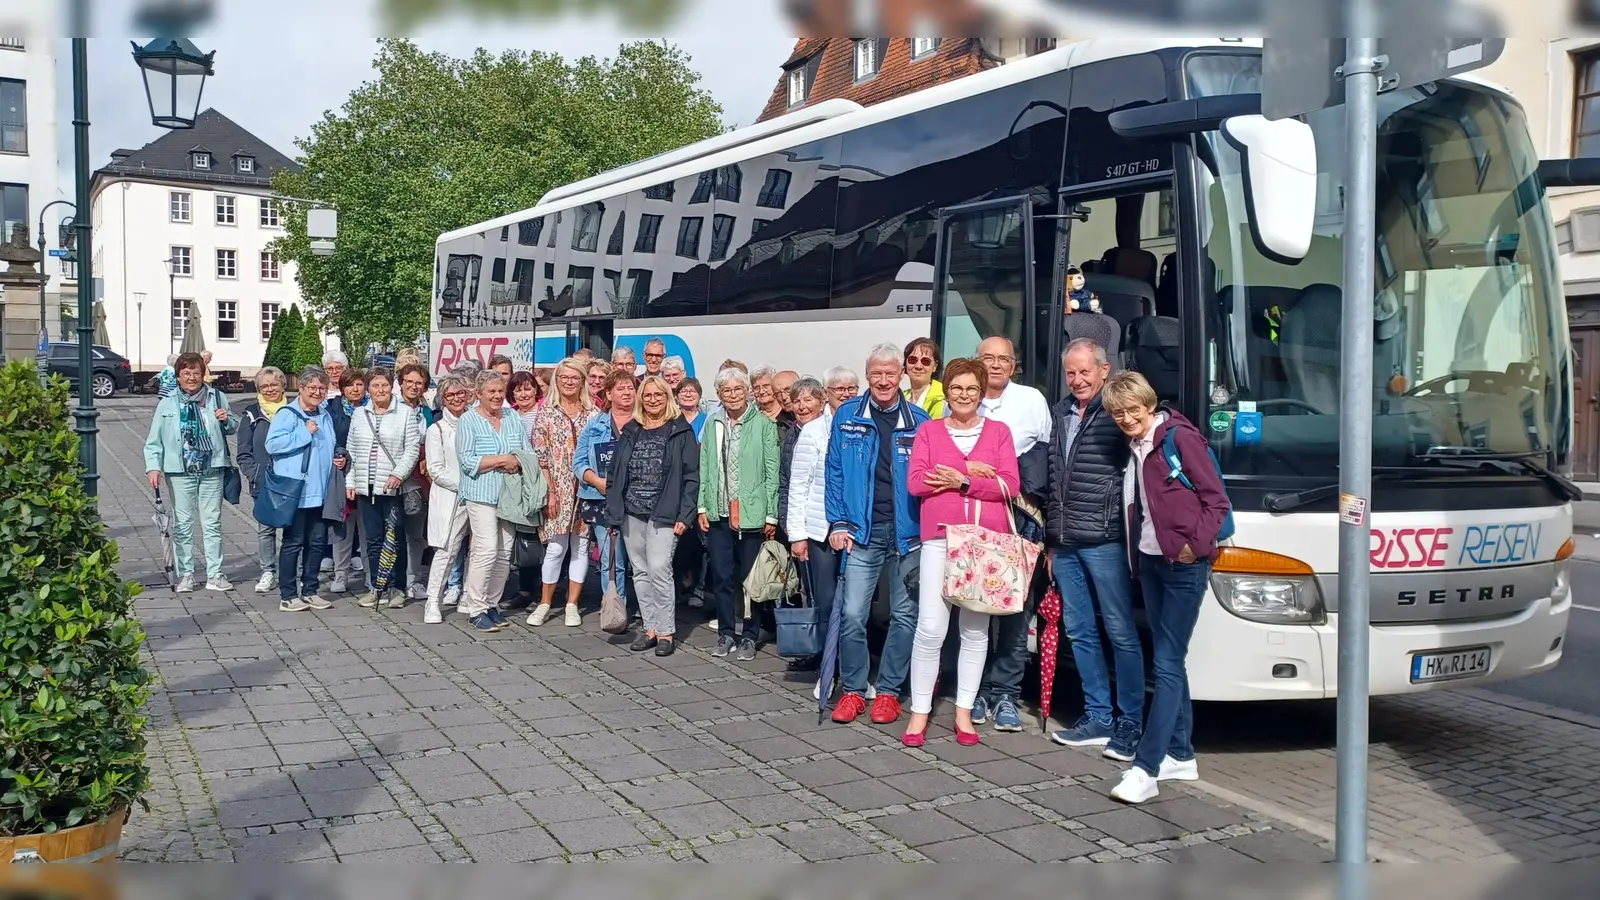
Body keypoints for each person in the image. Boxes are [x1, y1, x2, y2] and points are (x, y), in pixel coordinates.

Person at [1102, 370, 1230, 804]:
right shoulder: (1137, 445)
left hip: (1184, 565)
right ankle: (1181, 753)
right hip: (1153, 561)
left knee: (1168, 664)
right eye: (1118, 413)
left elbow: (1217, 500)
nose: (1126, 418)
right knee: (1170, 660)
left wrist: (1196, 546)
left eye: (1132, 410)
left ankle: (1146, 767)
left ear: (1149, 405)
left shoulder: (1178, 438)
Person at [903, 358, 1021, 747]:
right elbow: (918, 482)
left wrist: (963, 481)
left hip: (985, 542)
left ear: (982, 390)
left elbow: (1010, 485)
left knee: (975, 630)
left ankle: (964, 713)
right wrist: (970, 466)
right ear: (946, 390)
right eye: (956, 388)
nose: (964, 395)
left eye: (972, 388)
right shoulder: (929, 431)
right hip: (940, 537)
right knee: (931, 627)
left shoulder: (1000, 432)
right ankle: (920, 712)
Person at [1046, 339, 1144, 758]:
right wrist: (1051, 540)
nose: (1078, 379)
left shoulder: (1118, 413)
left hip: (1105, 540)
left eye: (1085, 371)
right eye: (1071, 372)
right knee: (1080, 632)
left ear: (1105, 370)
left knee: (1121, 632)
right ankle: (1098, 716)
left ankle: (1131, 722)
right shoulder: (1060, 411)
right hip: (1065, 543)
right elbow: (1053, 476)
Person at [826, 344, 929, 726]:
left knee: (905, 615)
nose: (883, 381)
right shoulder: (847, 416)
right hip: (860, 532)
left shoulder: (919, 421)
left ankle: (888, 692)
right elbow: (834, 471)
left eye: (890, 373)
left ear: (901, 374)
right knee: (853, 614)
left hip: (908, 534)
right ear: (866, 375)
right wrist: (837, 523)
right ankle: (853, 690)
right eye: (876, 374)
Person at [971, 335, 1053, 733]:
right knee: (975, 608)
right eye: (988, 358)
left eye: (1004, 359)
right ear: (976, 361)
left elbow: (1047, 457)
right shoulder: (965, 398)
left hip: (1021, 517)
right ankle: (975, 690)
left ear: (1014, 365)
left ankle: (1005, 692)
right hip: (977, 515)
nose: (997, 365)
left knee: (1017, 611)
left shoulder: (1032, 400)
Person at [607, 375, 698, 656]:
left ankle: (666, 632)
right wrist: (614, 513)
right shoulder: (631, 430)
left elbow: (692, 477)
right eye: (647, 395)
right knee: (641, 572)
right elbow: (616, 474)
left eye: (659, 394)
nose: (653, 399)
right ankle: (650, 629)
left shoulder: (680, 431)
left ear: (667, 397)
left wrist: (686, 514)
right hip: (632, 512)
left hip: (666, 513)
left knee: (660, 569)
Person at [698, 367, 780, 661]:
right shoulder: (713, 423)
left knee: (751, 579)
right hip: (718, 512)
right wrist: (702, 506)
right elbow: (705, 466)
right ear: (719, 395)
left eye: (737, 389)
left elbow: (773, 472)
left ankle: (750, 634)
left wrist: (772, 514)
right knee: (721, 575)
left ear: (747, 391)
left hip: (753, 513)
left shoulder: (763, 425)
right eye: (726, 391)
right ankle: (725, 632)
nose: (732, 395)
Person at [143, 351, 236, 592]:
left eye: (196, 372)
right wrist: (153, 466)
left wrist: (226, 420)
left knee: (212, 523)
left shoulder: (217, 397)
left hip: (212, 467)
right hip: (180, 470)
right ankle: (186, 574)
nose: (192, 377)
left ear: (203, 373)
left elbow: (232, 426)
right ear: (178, 376)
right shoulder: (168, 402)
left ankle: (215, 574)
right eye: (186, 373)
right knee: (183, 524)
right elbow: (154, 440)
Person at [456, 370, 528, 632]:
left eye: (500, 391)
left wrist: (515, 461)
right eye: (492, 392)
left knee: (504, 552)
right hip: (481, 495)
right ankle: (475, 607)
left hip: (509, 495)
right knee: (485, 549)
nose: (497, 396)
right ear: (479, 394)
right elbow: (468, 461)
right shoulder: (468, 420)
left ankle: (491, 604)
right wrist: (503, 460)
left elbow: (525, 452)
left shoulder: (512, 417)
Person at [346, 368, 423, 610]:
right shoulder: (359, 414)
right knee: (374, 540)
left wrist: (398, 474)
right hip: (366, 487)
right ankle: (375, 587)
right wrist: (351, 482)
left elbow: (412, 449)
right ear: (368, 389)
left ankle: (397, 588)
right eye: (375, 386)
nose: (380, 390)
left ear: (392, 387)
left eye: (385, 385)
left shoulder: (405, 413)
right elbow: (352, 451)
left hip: (392, 487)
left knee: (395, 539)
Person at [264, 366, 339, 612]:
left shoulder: (325, 414)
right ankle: (288, 594)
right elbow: (272, 445)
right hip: (296, 491)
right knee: (293, 543)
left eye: (322, 388)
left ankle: (310, 590)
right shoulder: (288, 414)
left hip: (321, 490)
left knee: (317, 543)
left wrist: (340, 457)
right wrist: (303, 433)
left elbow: (329, 446)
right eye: (313, 388)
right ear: (302, 389)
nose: (317, 392)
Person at [528, 357, 594, 627]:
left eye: (574, 377)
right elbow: (540, 457)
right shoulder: (546, 412)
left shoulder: (592, 414)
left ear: (582, 381)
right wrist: (551, 492)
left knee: (581, 546)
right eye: (564, 377)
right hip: (558, 486)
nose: (569, 382)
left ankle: (572, 604)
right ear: (557, 381)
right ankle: (545, 602)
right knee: (556, 547)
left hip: (587, 488)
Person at [782, 376, 835, 673]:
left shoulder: (825, 430)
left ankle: (830, 655)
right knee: (810, 592)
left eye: (808, 400)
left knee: (826, 597)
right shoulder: (793, 433)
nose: (802, 406)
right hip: (801, 524)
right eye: (797, 401)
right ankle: (816, 651)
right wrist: (793, 530)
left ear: (821, 400)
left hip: (821, 526)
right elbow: (789, 482)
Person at [577, 369, 638, 621]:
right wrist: (597, 481)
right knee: (613, 559)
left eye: (630, 388)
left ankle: (648, 611)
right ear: (609, 394)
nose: (626, 393)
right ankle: (615, 609)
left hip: (637, 500)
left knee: (640, 560)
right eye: (620, 389)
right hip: (602, 498)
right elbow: (579, 462)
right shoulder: (595, 425)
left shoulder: (644, 422)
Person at [422, 373, 474, 624]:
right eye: (450, 395)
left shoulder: (475, 422)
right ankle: (433, 600)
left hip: (479, 497)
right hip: (452, 496)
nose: (456, 399)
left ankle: (468, 593)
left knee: (478, 549)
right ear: (442, 399)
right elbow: (436, 470)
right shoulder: (437, 430)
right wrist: (465, 486)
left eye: (460, 394)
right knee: (447, 549)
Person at [237, 365, 289, 594]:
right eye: (264, 386)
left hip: (291, 480)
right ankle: (268, 571)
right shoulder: (251, 413)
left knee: (293, 529)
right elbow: (243, 452)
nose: (269, 389)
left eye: (274, 385)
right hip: (263, 480)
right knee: (266, 529)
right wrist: (255, 474)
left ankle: (290, 571)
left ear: (283, 386)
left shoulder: (293, 410)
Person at [323, 367, 367, 591]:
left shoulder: (373, 408)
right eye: (350, 385)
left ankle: (371, 575)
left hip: (369, 475)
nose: (355, 389)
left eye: (359, 384)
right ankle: (340, 574)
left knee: (368, 529)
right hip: (343, 474)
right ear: (342, 389)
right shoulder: (332, 410)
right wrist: (338, 454)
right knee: (344, 526)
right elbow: (328, 440)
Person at [397, 363, 435, 600]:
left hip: (420, 475)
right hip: (395, 472)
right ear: (400, 382)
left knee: (415, 531)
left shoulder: (426, 410)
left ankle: (415, 580)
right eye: (409, 381)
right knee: (392, 529)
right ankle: (392, 580)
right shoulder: (391, 407)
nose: (413, 386)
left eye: (418, 383)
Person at [903, 338, 946, 418]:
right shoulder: (900, 397)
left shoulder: (944, 398)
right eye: (912, 360)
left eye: (925, 361)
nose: (918, 366)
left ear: (935, 367)